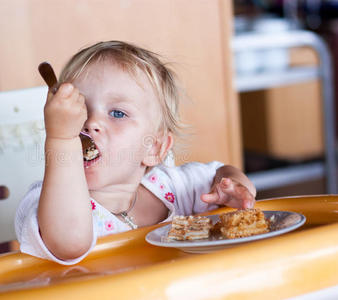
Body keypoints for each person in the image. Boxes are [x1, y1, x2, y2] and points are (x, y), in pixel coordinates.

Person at [15, 41, 256, 265]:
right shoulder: (49, 201)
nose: (91, 122)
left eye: (117, 113)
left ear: (154, 148)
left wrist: (233, 187)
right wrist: (62, 139)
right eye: (80, 110)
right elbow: (69, 244)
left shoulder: (170, 188)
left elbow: (220, 173)